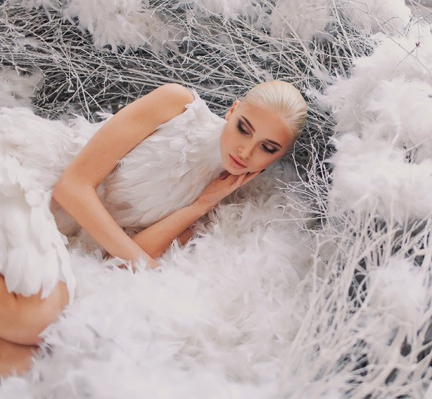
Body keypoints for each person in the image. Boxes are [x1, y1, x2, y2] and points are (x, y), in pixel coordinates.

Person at [0, 81, 307, 377]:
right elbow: (72, 187)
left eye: (267, 147)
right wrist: (150, 266)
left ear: (278, 156)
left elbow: (116, 259)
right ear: (232, 110)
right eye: (243, 128)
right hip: (33, 181)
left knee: (39, 355)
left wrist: (198, 207)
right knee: (39, 318)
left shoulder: (222, 197)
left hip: (56, 232)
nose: (246, 151)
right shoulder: (177, 104)